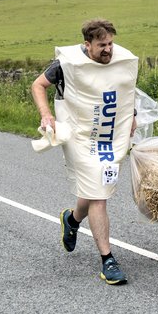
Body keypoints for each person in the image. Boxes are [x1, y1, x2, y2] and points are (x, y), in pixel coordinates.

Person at [31, 18, 138, 285]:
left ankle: (72, 219)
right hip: (78, 137)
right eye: (102, 45)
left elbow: (124, 89)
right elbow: (38, 85)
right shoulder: (65, 64)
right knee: (99, 196)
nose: (108, 50)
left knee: (95, 188)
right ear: (87, 44)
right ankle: (108, 260)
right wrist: (46, 115)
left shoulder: (119, 60)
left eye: (110, 43)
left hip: (108, 134)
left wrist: (131, 115)